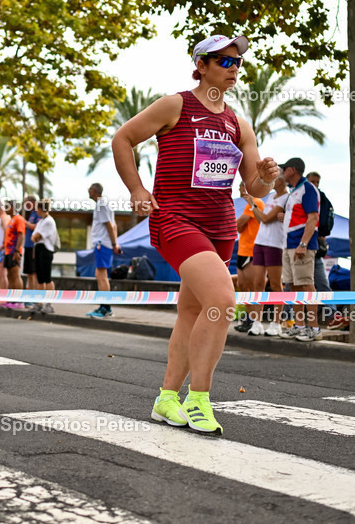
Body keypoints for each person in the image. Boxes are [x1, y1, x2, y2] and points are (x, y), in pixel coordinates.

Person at [112, 33, 278, 434]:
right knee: (222, 302)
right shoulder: (176, 105)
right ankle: (199, 398)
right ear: (201, 66)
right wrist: (137, 189)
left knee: (192, 311)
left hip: (220, 227)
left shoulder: (239, 123)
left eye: (238, 62)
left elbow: (253, 187)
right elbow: (123, 139)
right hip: (176, 220)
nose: (234, 68)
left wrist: (267, 178)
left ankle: (166, 398)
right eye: (224, 61)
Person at [278, 157, 322, 342]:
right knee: (292, 285)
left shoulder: (308, 188)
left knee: (306, 284)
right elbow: (300, 216)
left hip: (301, 245)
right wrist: (285, 216)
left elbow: (313, 218)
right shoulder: (294, 191)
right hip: (289, 244)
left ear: (292, 170)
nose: (282, 172)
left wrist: (303, 244)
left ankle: (314, 328)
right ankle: (300, 325)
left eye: (284, 168)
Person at [244, 176, 287, 336]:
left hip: (275, 244)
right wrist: (253, 205)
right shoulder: (271, 196)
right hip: (260, 242)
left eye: (276, 178)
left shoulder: (286, 197)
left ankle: (276, 323)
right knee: (258, 284)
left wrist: (252, 204)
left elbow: (266, 219)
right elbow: (260, 219)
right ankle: (257, 322)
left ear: (281, 180)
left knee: (276, 284)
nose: (273, 180)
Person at [86, 182, 122, 318]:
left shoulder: (101, 205)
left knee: (101, 275)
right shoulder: (105, 204)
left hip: (102, 243)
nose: (88, 191)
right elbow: (114, 225)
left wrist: (114, 244)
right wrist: (114, 243)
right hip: (105, 243)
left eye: (90, 189)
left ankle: (105, 308)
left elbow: (109, 225)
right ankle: (104, 307)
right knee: (100, 274)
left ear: (95, 191)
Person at [305, 172, 333, 292]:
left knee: (320, 282)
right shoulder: (300, 195)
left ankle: (328, 304)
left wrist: (322, 234)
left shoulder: (321, 198)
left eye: (317, 182)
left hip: (312, 244)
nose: (315, 184)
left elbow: (324, 220)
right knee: (294, 282)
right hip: (306, 243)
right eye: (313, 181)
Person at [235, 180, 263, 298]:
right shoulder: (248, 205)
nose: (239, 190)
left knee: (253, 287)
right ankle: (250, 310)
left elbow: (237, 224)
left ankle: (257, 310)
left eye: (240, 187)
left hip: (252, 250)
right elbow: (239, 227)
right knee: (242, 285)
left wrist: (240, 225)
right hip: (243, 250)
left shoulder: (256, 202)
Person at [31, 198, 58, 293]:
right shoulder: (41, 221)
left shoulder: (49, 221)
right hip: (39, 249)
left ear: (40, 208)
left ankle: (50, 300)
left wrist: (35, 237)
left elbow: (37, 236)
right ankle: (40, 299)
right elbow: (33, 237)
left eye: (37, 208)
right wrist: (35, 237)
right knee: (40, 278)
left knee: (47, 278)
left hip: (45, 250)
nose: (36, 210)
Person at [22, 195, 40, 290]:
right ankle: (30, 293)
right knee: (29, 272)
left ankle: (35, 293)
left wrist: (24, 222)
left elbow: (36, 227)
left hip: (33, 246)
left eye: (27, 203)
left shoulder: (38, 213)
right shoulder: (31, 213)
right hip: (27, 245)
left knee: (34, 272)